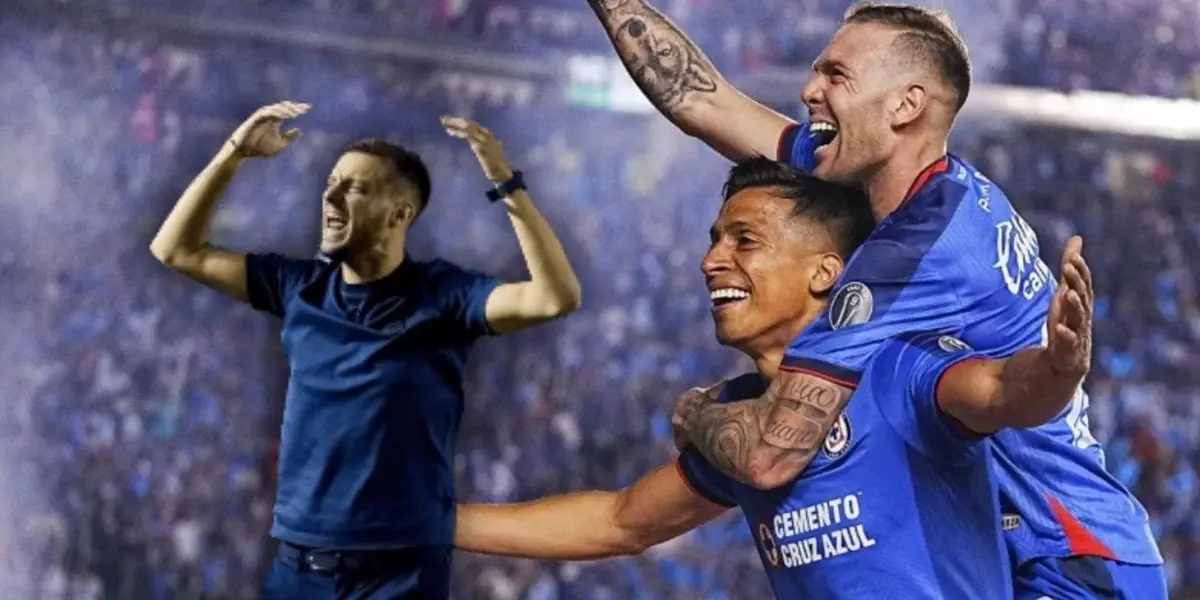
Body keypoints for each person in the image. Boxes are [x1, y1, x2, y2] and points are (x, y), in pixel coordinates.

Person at [587, 1, 1165, 597]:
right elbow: (703, 102)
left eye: (837, 75)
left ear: (905, 106)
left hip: (1071, 560)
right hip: (1032, 552)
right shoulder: (897, 184)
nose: (810, 90)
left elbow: (770, 452)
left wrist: (695, 412)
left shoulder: (918, 245)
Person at [454, 158, 1094, 599]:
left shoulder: (898, 367)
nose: (711, 260)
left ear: (825, 273)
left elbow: (1005, 390)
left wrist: (1057, 366)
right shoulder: (743, 418)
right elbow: (621, 522)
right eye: (715, 240)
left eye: (744, 240)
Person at [149, 102, 582, 599]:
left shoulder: (443, 296)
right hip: (299, 569)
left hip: (400, 575)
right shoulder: (299, 287)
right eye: (330, 184)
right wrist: (233, 153)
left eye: (354, 188)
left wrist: (506, 183)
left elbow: (555, 297)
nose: (330, 197)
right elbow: (174, 248)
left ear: (400, 212)